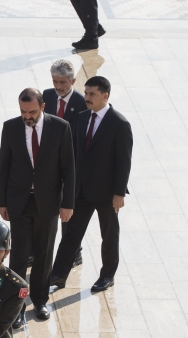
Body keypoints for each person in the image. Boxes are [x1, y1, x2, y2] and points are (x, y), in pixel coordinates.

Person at [0, 88, 75, 328]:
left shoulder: (60, 128)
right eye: (22, 111)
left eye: (31, 112)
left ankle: (40, 300)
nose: (26, 116)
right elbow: (4, 165)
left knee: (44, 252)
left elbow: (69, 169)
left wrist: (67, 204)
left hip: (48, 202)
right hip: (20, 201)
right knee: (19, 255)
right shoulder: (11, 127)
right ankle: (17, 305)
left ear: (43, 107)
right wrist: (2, 202)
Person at [51, 76, 132, 292]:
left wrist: (119, 192)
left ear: (105, 96)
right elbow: (75, 153)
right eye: (86, 93)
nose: (87, 98)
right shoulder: (82, 117)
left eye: (92, 94)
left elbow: (124, 161)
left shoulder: (120, 123)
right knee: (70, 235)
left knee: (109, 236)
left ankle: (107, 276)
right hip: (81, 191)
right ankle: (58, 275)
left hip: (107, 193)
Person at [43, 59, 87, 268]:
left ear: (73, 80)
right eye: (55, 81)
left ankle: (73, 252)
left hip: (71, 166)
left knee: (69, 211)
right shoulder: (47, 96)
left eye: (62, 82)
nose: (58, 87)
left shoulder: (81, 103)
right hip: (48, 165)